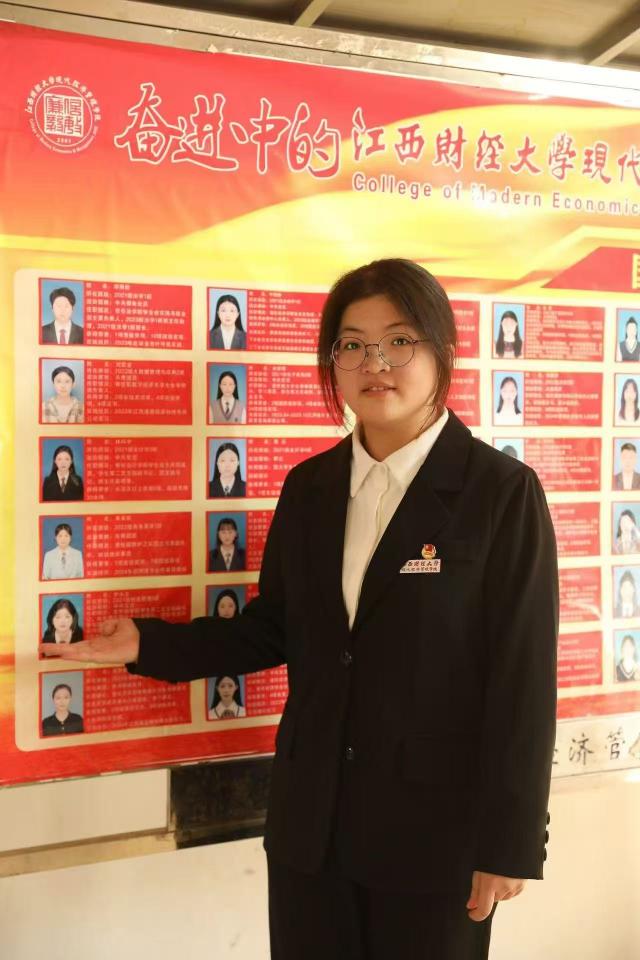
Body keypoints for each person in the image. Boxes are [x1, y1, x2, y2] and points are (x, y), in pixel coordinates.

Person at [42, 259, 558, 960]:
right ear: (332, 362)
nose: (375, 363)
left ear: (442, 351)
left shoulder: (500, 494)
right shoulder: (310, 488)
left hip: (435, 840)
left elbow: (523, 681)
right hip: (312, 832)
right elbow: (275, 628)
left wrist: (511, 842)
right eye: (353, 345)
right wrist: (146, 644)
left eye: (399, 340)